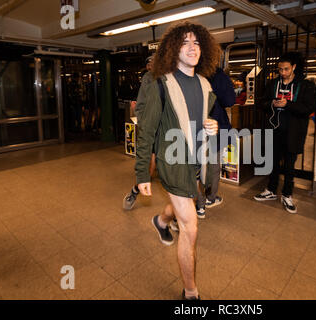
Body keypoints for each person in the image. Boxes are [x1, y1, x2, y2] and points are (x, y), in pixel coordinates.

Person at [135, 22, 220, 300]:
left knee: (184, 201)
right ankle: (191, 292)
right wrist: (142, 174)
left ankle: (161, 220)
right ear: (173, 49)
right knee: (190, 227)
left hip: (196, 160)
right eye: (185, 43)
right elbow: (146, 130)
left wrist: (212, 126)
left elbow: (198, 121)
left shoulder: (205, 84)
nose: (192, 48)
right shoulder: (161, 84)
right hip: (172, 161)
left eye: (196, 43)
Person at [254, 52, 316, 213]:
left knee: (289, 165)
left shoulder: (305, 85)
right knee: (273, 163)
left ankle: (287, 194)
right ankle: (271, 190)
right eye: (280, 69)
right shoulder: (273, 84)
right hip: (274, 130)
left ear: (294, 67)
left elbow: (308, 108)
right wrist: (272, 103)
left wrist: (288, 104)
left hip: (293, 132)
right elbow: (261, 102)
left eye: (286, 69)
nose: (283, 72)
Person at [196, 67, 235, 217]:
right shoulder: (217, 76)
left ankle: (198, 203)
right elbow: (230, 100)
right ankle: (209, 199)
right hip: (215, 125)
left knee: (195, 167)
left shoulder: (188, 74)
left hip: (193, 127)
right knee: (212, 167)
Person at [123, 54, 158, 210]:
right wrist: (145, 125)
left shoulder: (173, 77)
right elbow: (141, 106)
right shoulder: (148, 78)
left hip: (168, 132)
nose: (151, 65)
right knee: (149, 167)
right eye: (149, 62)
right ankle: (135, 190)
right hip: (151, 129)